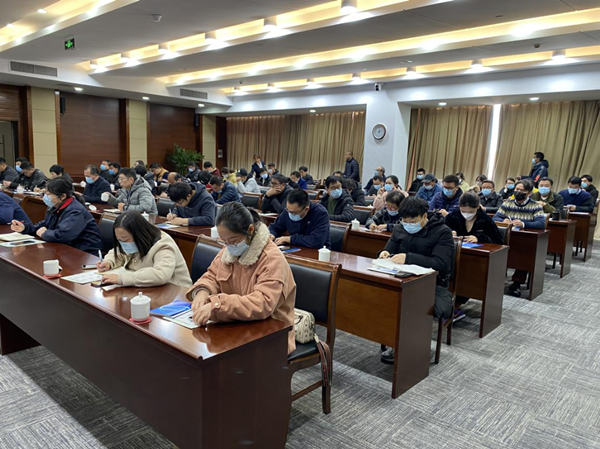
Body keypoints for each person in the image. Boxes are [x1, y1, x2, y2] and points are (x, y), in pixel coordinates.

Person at [186, 202, 297, 353]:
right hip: (236, 325)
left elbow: (262, 303)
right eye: (223, 241)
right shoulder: (229, 251)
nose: (228, 246)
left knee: (219, 359)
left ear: (250, 230)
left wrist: (217, 305)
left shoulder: (271, 259)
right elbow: (212, 276)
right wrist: (202, 291)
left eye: (232, 240)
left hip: (270, 334)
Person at [378, 196, 453, 363]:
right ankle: (391, 339)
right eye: (404, 220)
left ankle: (405, 346)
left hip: (433, 285)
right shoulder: (400, 228)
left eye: (412, 221)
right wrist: (384, 253)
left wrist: (408, 257)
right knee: (381, 297)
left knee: (408, 304)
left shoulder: (442, 232)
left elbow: (440, 263)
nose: (408, 224)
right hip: (401, 279)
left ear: (424, 216)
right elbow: (389, 249)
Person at [445, 192, 503, 320]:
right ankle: (447, 301)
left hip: (476, 260)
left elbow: (499, 241)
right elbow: (439, 232)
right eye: (463, 210)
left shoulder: (485, 220)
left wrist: (479, 238)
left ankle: (456, 304)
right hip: (454, 256)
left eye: (470, 211)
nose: (466, 214)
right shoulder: (452, 217)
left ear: (478, 207)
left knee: (471, 276)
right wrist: (448, 233)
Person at [97, 211, 192, 288]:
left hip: (175, 292)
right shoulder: (132, 243)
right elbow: (119, 252)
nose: (123, 243)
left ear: (139, 234)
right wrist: (109, 262)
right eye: (119, 240)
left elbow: (160, 274)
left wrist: (121, 278)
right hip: (148, 289)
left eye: (125, 239)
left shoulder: (163, 245)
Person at [10, 177, 101, 254]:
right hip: (66, 249)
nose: (45, 197)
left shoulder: (75, 211)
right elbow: (45, 225)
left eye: (49, 194)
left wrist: (44, 233)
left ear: (62, 196)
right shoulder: (55, 206)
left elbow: (63, 236)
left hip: (84, 253)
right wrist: (25, 228)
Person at [493, 179, 545, 297]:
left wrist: (523, 224)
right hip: (508, 237)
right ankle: (497, 279)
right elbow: (495, 217)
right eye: (517, 189)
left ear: (529, 193)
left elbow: (541, 223)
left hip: (525, 240)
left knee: (524, 255)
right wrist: (503, 221)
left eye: (522, 190)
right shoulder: (507, 203)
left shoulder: (535, 206)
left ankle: (517, 283)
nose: (518, 192)